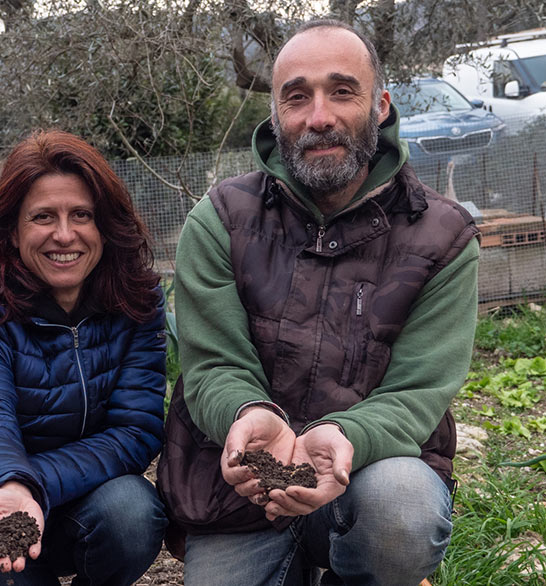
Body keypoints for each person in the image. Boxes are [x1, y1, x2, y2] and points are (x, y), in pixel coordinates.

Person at [162, 19, 480, 586]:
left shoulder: (443, 236)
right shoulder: (219, 220)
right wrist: (247, 414)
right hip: (242, 498)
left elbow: (417, 391)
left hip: (366, 472)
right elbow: (212, 365)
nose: (319, 117)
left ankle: (363, 568)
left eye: (341, 91)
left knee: (401, 509)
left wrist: (345, 437)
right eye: (297, 96)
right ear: (276, 115)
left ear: (380, 105)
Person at [0, 129, 168, 585]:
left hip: (80, 501)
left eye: (81, 214)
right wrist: (3, 488)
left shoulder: (136, 301)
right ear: (12, 230)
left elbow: (135, 431)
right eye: (42, 216)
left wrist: (30, 485)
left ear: (105, 224)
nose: (64, 235)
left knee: (132, 512)